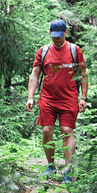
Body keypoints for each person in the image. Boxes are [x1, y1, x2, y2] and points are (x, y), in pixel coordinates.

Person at [26, 19, 88, 183]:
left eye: (60, 36)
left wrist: (83, 97)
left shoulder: (75, 50)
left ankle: (67, 169)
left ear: (66, 34)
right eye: (54, 37)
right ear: (50, 34)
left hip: (69, 97)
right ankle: (51, 166)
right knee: (47, 130)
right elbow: (35, 74)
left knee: (67, 130)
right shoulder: (44, 51)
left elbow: (83, 74)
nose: (57, 39)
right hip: (48, 97)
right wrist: (30, 97)